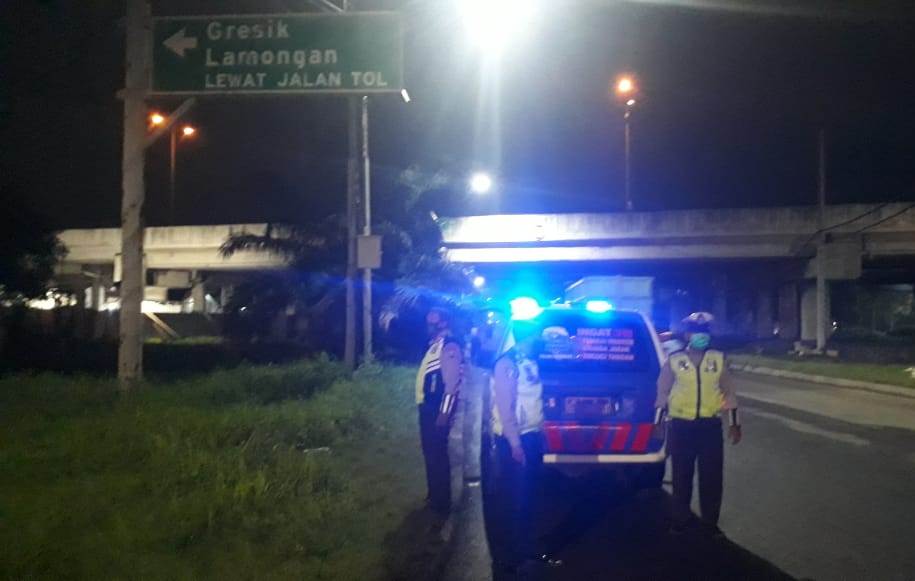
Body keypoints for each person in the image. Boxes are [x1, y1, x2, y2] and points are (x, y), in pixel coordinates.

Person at [653, 312, 742, 536]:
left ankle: (710, 524)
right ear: (687, 335)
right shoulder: (675, 360)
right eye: (696, 332)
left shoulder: (718, 360)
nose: (701, 336)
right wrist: (658, 422)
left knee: (711, 478)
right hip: (681, 427)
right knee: (682, 476)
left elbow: (729, 393)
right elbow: (662, 392)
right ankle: (680, 521)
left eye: (704, 332)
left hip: (709, 427)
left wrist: (734, 423)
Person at [482, 320, 546, 580]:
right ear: (525, 338)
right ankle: (508, 559)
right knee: (512, 501)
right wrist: (515, 443)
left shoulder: (527, 361)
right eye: (535, 336)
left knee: (527, 498)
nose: (538, 340)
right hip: (515, 440)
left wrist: (541, 429)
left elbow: (534, 400)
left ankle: (524, 551)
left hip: (531, 436)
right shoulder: (506, 365)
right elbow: (505, 407)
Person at [415, 307, 464, 515]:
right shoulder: (433, 346)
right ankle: (434, 495)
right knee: (430, 454)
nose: (429, 324)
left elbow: (451, 385)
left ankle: (441, 503)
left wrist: (444, 415)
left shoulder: (449, 346)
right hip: (427, 407)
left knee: (438, 455)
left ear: (443, 323)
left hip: (437, 411)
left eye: (433, 321)